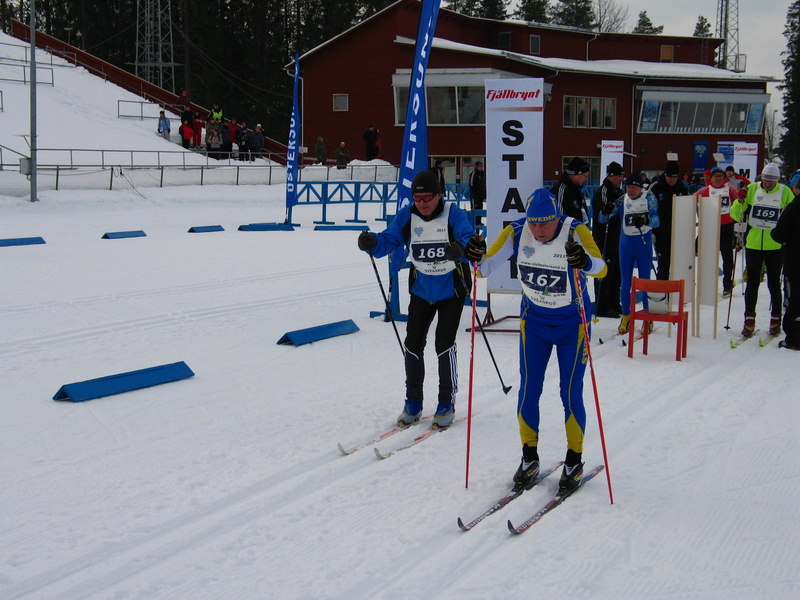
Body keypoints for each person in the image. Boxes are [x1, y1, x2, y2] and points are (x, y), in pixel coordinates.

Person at [468, 188, 606, 494]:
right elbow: (484, 268)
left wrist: (584, 262)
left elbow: (602, 268)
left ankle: (574, 459)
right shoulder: (516, 231)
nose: (539, 230)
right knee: (529, 388)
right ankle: (529, 457)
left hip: (573, 324)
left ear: (557, 217)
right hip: (535, 323)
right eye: (534, 223)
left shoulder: (575, 230)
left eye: (545, 223)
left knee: (570, 391)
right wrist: (474, 256)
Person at [356, 170, 474, 429]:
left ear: (439, 195)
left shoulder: (454, 214)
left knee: (444, 343)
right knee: (412, 344)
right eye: (417, 198)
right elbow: (389, 240)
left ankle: (446, 403)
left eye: (427, 197)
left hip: (451, 290)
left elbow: (469, 241)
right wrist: (372, 243)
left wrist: (460, 249)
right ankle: (413, 402)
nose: (422, 203)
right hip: (422, 290)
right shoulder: (407, 215)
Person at [730, 163, 795, 338]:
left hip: (775, 245)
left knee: (774, 283)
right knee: (752, 283)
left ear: (777, 180)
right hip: (753, 244)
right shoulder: (752, 188)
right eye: (766, 179)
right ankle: (749, 319)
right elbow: (736, 215)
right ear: (762, 178)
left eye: (772, 180)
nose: (768, 183)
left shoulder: (784, 192)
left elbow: (792, 213)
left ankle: (775, 319)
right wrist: (739, 201)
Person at [599, 172, 660, 334]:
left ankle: (647, 317)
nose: (631, 190)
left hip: (643, 243)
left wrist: (645, 220)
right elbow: (602, 219)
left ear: (640, 187)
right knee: (625, 282)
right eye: (628, 187)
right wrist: (605, 210)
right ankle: (626, 315)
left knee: (645, 281)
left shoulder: (649, 198)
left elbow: (656, 221)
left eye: (634, 187)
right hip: (626, 244)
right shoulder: (622, 199)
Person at [695, 167, 740, 296]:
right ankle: (708, 287)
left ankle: (727, 285)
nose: (718, 179)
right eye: (716, 176)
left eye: (720, 176)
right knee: (709, 258)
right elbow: (692, 200)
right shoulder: (705, 190)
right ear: (711, 178)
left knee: (728, 258)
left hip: (727, 227)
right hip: (711, 227)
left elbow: (739, 200)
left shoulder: (730, 189)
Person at [591, 161, 625, 317]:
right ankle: (602, 306)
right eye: (619, 176)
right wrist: (608, 210)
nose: (621, 179)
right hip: (604, 238)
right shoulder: (603, 192)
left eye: (622, 176)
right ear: (611, 176)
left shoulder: (620, 191)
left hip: (617, 237)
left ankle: (614, 302)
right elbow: (601, 218)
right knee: (605, 271)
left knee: (616, 272)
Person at [771, 172, 800, 350]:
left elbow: (779, 234)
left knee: (794, 298)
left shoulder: (792, 208)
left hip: (795, 260)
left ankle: (794, 338)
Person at [650, 161, 689, 281]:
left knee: (679, 265)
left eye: (674, 177)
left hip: (678, 233)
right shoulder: (656, 188)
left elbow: (688, 209)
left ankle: (676, 290)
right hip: (661, 233)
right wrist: (652, 231)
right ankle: (662, 289)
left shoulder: (682, 188)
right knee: (663, 264)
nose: (672, 180)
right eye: (669, 177)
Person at [551, 156, 590, 222]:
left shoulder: (576, 190)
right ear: (577, 174)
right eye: (585, 176)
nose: (586, 179)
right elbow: (559, 219)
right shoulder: (561, 191)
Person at [469, 161, 486, 226]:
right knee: (474, 209)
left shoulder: (482, 175)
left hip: (480, 196)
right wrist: (474, 194)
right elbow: (471, 184)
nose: (481, 168)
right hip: (475, 196)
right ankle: (474, 223)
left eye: (482, 166)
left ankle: (478, 222)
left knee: (480, 208)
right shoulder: (474, 174)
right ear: (476, 167)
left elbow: (483, 185)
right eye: (480, 166)